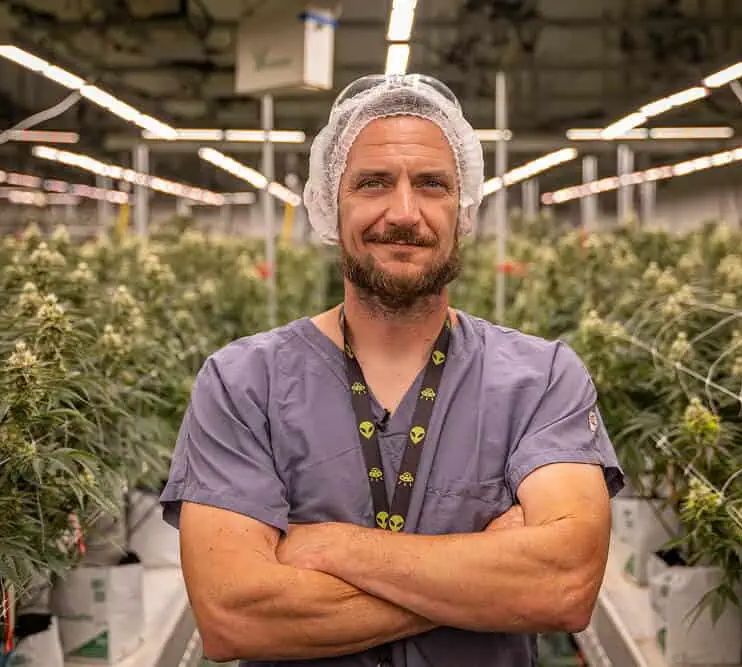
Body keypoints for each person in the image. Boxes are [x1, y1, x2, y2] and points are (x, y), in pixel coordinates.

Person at [160, 73, 625, 667]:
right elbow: (234, 618)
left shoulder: (542, 379)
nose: (404, 213)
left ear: (464, 208)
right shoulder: (241, 384)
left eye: (432, 185)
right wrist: (485, 581)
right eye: (373, 183)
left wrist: (332, 547)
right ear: (332, 204)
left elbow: (563, 587)